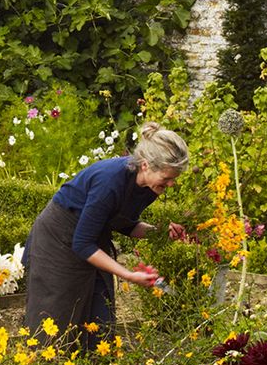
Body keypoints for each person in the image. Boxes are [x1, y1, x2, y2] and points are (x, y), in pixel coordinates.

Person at [23, 126, 190, 342]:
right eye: (167, 177)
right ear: (146, 165)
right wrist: (128, 274)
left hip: (90, 237)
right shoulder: (109, 181)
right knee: (55, 320)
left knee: (99, 317)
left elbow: (125, 224)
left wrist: (159, 233)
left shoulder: (149, 186)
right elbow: (82, 244)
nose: (171, 184)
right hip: (58, 239)